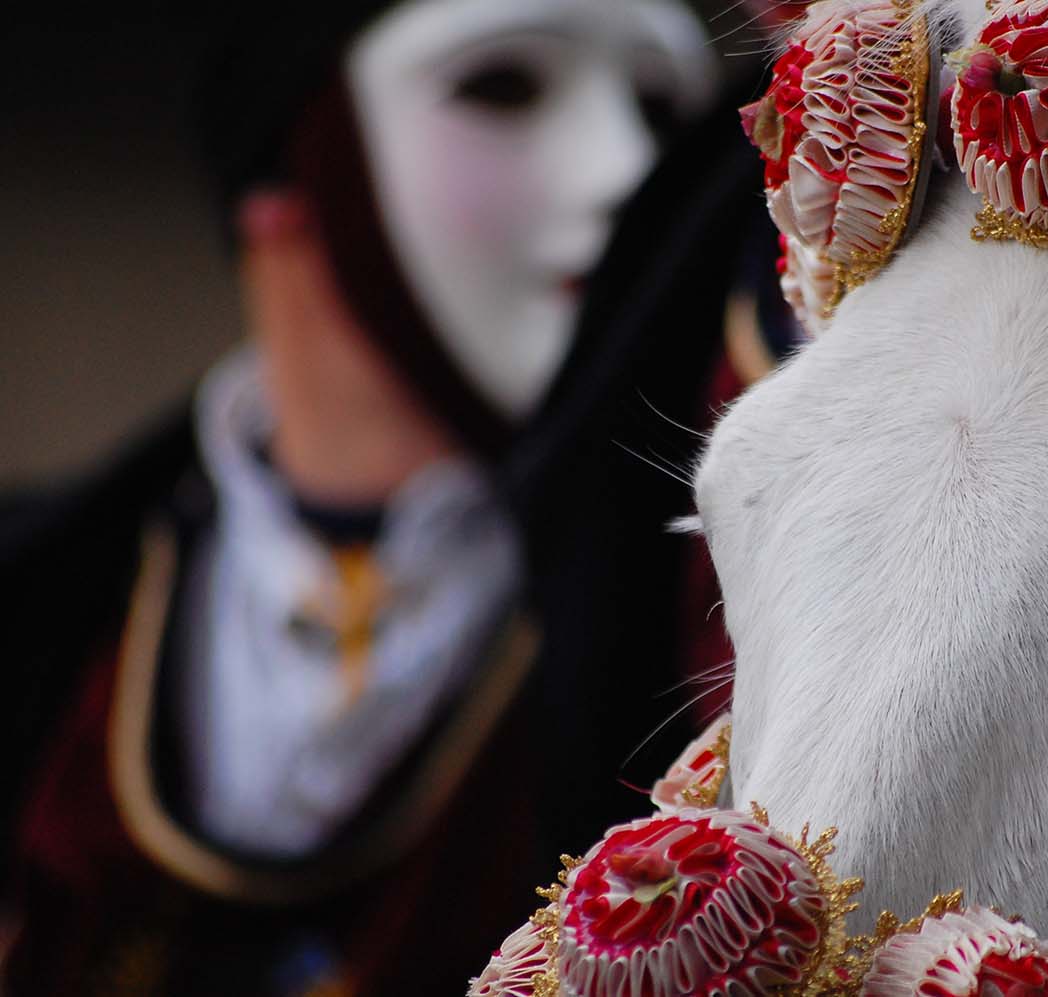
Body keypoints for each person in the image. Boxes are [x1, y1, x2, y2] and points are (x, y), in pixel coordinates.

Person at [0, 1, 767, 993]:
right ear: (287, 169)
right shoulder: (37, 609)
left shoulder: (723, 639)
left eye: (661, 115)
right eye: (503, 87)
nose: (617, 173)